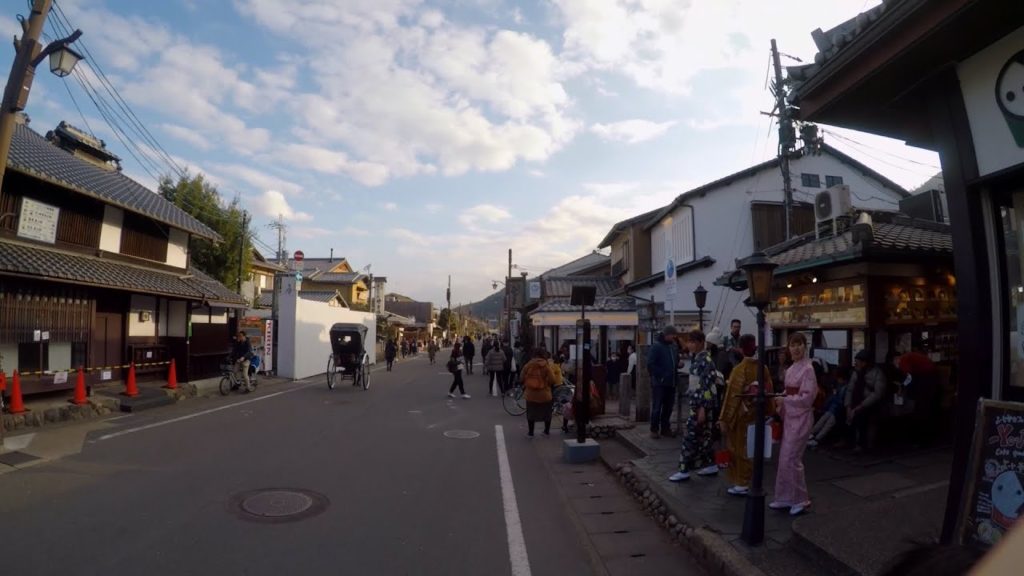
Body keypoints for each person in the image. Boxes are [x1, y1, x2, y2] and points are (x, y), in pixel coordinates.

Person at [718, 334, 772, 496]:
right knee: (754, 448)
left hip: (742, 415)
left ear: (741, 349)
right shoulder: (763, 368)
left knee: (739, 448)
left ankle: (741, 482)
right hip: (758, 413)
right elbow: (769, 389)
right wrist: (770, 411)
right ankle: (751, 481)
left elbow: (732, 397)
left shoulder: (739, 370)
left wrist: (724, 418)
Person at [771, 332, 817, 516]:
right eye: (792, 345)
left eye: (799, 344)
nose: (796, 348)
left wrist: (785, 400)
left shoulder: (808, 369)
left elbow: (807, 397)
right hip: (791, 417)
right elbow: (788, 391)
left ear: (805, 347)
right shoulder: (791, 369)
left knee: (792, 458)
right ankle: (784, 497)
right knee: (784, 458)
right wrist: (780, 398)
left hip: (802, 417)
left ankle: (800, 499)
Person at [670, 329, 719, 481]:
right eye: (689, 342)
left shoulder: (705, 360)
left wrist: (703, 408)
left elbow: (706, 385)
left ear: (699, 343)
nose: (689, 345)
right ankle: (710, 464)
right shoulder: (698, 358)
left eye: (692, 342)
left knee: (690, 436)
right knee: (704, 437)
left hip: (701, 405)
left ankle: (684, 469)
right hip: (697, 403)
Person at [844, 349, 886, 453]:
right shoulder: (856, 373)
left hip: (869, 403)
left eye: (858, 362)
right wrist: (848, 406)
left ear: (865, 362)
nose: (856, 364)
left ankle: (862, 444)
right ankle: (848, 440)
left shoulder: (877, 373)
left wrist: (861, 406)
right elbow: (850, 389)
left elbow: (877, 394)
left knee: (863, 417)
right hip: (855, 400)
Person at [897, 346, 940, 447]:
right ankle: (926, 437)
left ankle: (920, 439)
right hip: (931, 377)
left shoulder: (903, 361)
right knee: (926, 408)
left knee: (921, 409)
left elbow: (909, 377)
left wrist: (902, 386)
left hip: (926, 380)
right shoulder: (910, 357)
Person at [646, 326, 679, 439]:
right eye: (672, 335)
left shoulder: (673, 347)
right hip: (660, 383)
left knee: (668, 407)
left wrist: (678, 364)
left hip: (671, 382)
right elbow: (650, 364)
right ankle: (654, 429)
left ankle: (665, 428)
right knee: (657, 407)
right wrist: (661, 376)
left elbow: (675, 360)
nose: (674, 337)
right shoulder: (656, 347)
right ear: (666, 335)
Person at [808, 366, 850, 447]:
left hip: (839, 410)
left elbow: (842, 402)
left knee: (829, 422)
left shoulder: (846, 388)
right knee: (824, 418)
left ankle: (817, 439)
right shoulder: (839, 386)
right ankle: (811, 434)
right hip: (833, 408)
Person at [521, 349, 559, 437]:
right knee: (547, 413)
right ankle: (546, 431)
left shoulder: (528, 365)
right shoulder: (546, 365)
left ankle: (531, 432)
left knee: (531, 413)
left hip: (531, 394)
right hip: (544, 394)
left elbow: (521, 377)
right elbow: (553, 380)